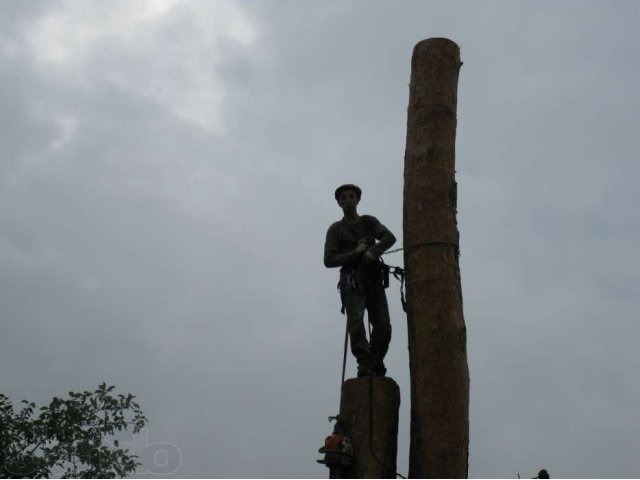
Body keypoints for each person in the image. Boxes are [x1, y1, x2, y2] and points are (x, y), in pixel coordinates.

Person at [324, 184, 396, 377]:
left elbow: (389, 238)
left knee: (383, 325)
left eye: (351, 196)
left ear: (358, 200)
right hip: (351, 279)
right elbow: (329, 260)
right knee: (355, 322)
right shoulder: (336, 229)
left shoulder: (369, 222)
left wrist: (373, 251)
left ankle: (376, 359)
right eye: (344, 197)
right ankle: (364, 361)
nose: (348, 200)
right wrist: (356, 253)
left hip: (373, 278)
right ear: (339, 203)